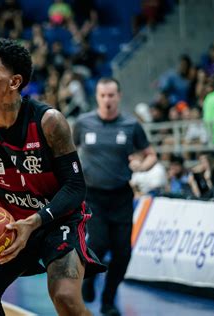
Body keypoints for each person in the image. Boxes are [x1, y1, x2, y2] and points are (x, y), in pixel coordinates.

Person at [0, 38, 106, 316]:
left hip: (59, 219)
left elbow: (75, 187)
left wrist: (35, 222)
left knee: (65, 297)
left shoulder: (49, 122)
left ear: (14, 82)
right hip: (11, 222)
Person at [73, 78, 157, 316]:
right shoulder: (83, 123)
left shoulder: (131, 125)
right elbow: (67, 151)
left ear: (118, 96)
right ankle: (88, 280)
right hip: (93, 196)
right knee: (99, 242)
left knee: (123, 252)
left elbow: (150, 155)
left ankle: (108, 301)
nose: (107, 100)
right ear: (97, 97)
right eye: (103, 96)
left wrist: (141, 166)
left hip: (121, 196)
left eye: (111, 95)